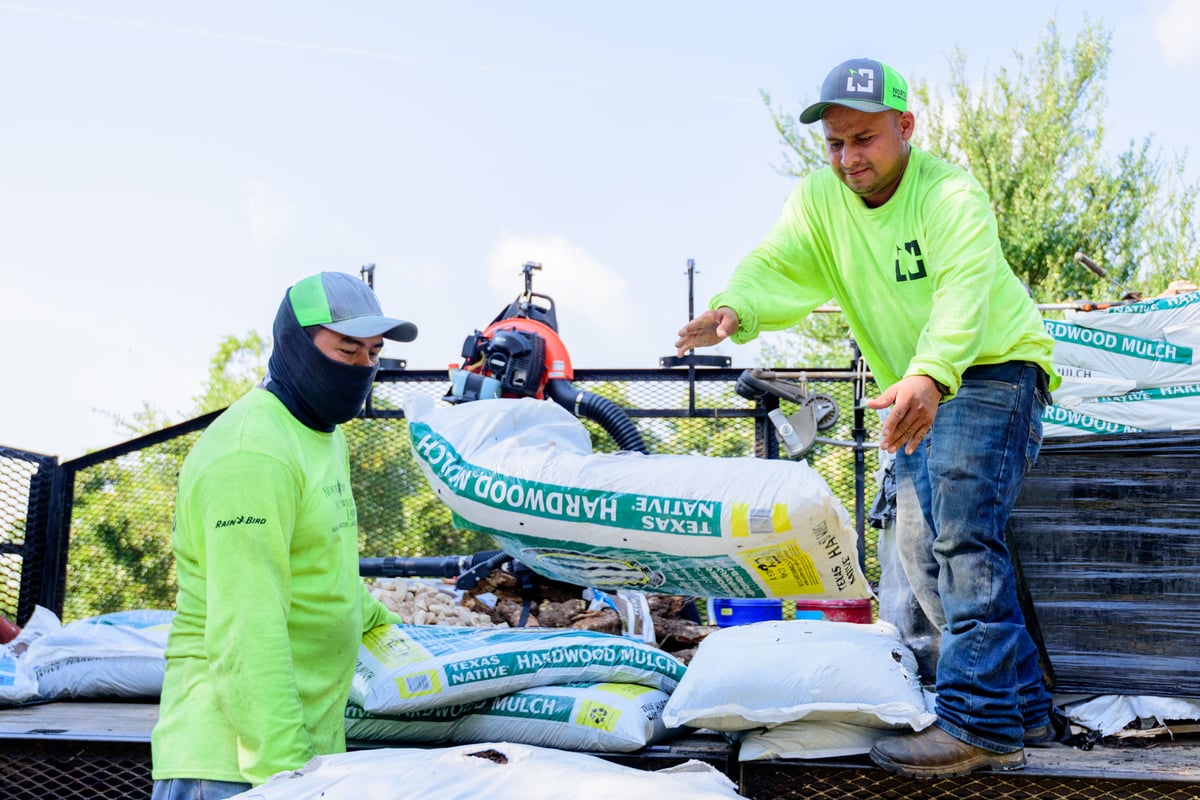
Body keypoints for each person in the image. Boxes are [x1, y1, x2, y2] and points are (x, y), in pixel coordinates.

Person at [675, 57, 1062, 778]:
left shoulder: (949, 194)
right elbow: (780, 261)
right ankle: (1023, 709)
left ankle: (980, 724)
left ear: (904, 127)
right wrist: (737, 307)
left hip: (992, 367)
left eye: (863, 140)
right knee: (916, 553)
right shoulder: (823, 200)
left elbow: (964, 293)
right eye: (835, 144)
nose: (848, 158)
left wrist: (929, 372)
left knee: (961, 539)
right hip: (918, 381)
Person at [150, 272, 418, 798]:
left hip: (298, 759)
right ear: (297, 344)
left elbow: (322, 568)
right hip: (234, 766)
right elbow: (245, 632)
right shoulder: (253, 453)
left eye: (373, 353)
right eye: (347, 350)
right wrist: (288, 776)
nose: (363, 368)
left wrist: (397, 633)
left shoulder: (321, 435)